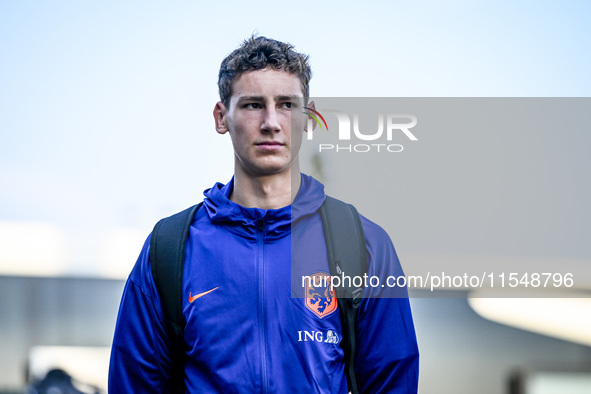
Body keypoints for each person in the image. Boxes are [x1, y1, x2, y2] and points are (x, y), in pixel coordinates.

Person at [109, 36, 419, 393]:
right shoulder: (168, 250)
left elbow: (392, 381)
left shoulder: (361, 244)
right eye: (253, 105)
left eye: (287, 104)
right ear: (221, 117)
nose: (271, 122)